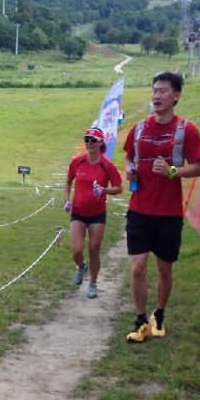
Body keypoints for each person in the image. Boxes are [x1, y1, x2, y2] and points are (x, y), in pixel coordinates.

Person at [122, 72, 200, 342]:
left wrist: (172, 171)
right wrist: (129, 171)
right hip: (139, 209)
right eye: (154, 90)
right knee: (137, 267)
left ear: (176, 95)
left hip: (168, 213)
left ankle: (158, 313)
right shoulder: (140, 128)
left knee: (164, 268)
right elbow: (127, 158)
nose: (157, 96)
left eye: (163, 91)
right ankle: (139, 320)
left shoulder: (186, 131)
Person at [64, 126, 122, 298]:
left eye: (93, 140)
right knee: (76, 251)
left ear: (101, 143)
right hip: (78, 213)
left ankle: (93, 283)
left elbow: (118, 188)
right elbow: (68, 182)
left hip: (97, 214)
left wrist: (104, 190)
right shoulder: (77, 162)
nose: (89, 143)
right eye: (87, 140)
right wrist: (67, 200)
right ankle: (82, 266)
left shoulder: (107, 165)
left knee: (94, 249)